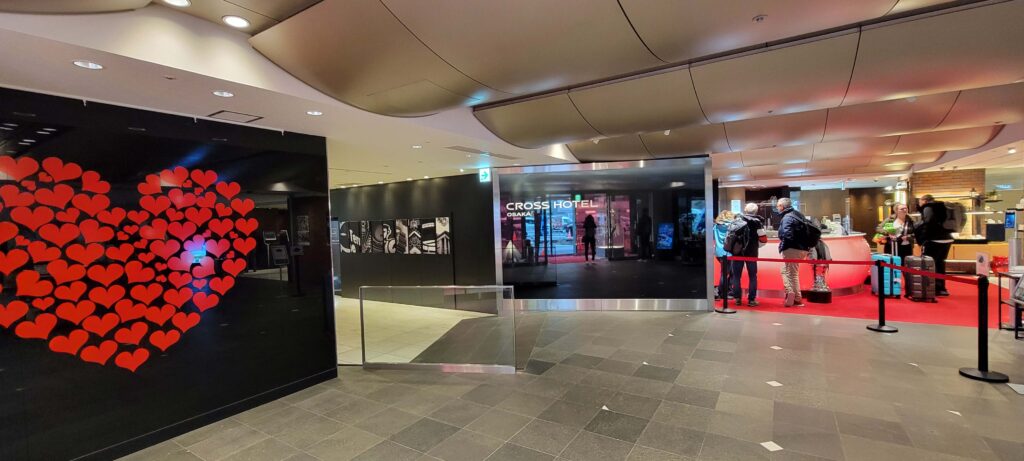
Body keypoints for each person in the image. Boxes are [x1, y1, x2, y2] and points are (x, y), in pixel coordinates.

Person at [914, 194, 953, 296]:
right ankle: (941, 288)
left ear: (924, 201)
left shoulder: (928, 208)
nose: (919, 203)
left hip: (934, 239)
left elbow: (927, 223)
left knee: (930, 264)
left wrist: (921, 238)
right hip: (947, 238)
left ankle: (932, 287)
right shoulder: (943, 206)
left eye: (920, 201)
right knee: (940, 263)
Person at [728, 203, 765, 306]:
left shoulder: (737, 220)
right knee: (753, 276)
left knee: (736, 276)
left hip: (737, 252)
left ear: (745, 210)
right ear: (756, 211)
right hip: (751, 253)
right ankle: (751, 300)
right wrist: (756, 246)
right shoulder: (757, 222)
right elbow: (763, 239)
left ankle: (737, 299)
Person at [776, 198, 810, 307]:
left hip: (792, 249)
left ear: (782, 206)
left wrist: (783, 245)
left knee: (792, 274)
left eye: (778, 205)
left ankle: (796, 298)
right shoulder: (798, 214)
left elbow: (786, 234)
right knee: (785, 270)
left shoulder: (787, 217)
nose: (777, 208)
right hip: (802, 248)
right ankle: (790, 291)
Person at [713, 210, 735, 300]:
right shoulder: (731, 227)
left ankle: (727, 290)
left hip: (718, 252)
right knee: (726, 273)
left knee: (726, 272)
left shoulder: (715, 227)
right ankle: (720, 292)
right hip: (728, 253)